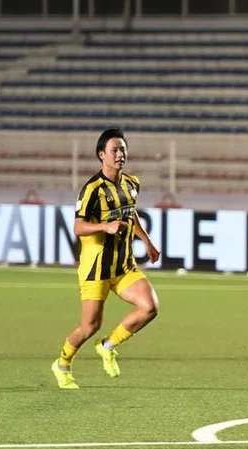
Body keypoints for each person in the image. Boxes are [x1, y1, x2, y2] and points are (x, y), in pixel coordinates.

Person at [51, 127, 161, 390]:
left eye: (123, 149)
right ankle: (63, 364)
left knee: (150, 307)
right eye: (114, 150)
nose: (120, 154)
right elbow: (78, 227)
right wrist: (104, 227)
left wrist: (146, 240)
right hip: (96, 269)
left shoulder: (132, 183)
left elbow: (130, 214)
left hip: (123, 266)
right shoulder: (91, 189)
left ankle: (108, 346)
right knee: (89, 326)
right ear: (102, 155)